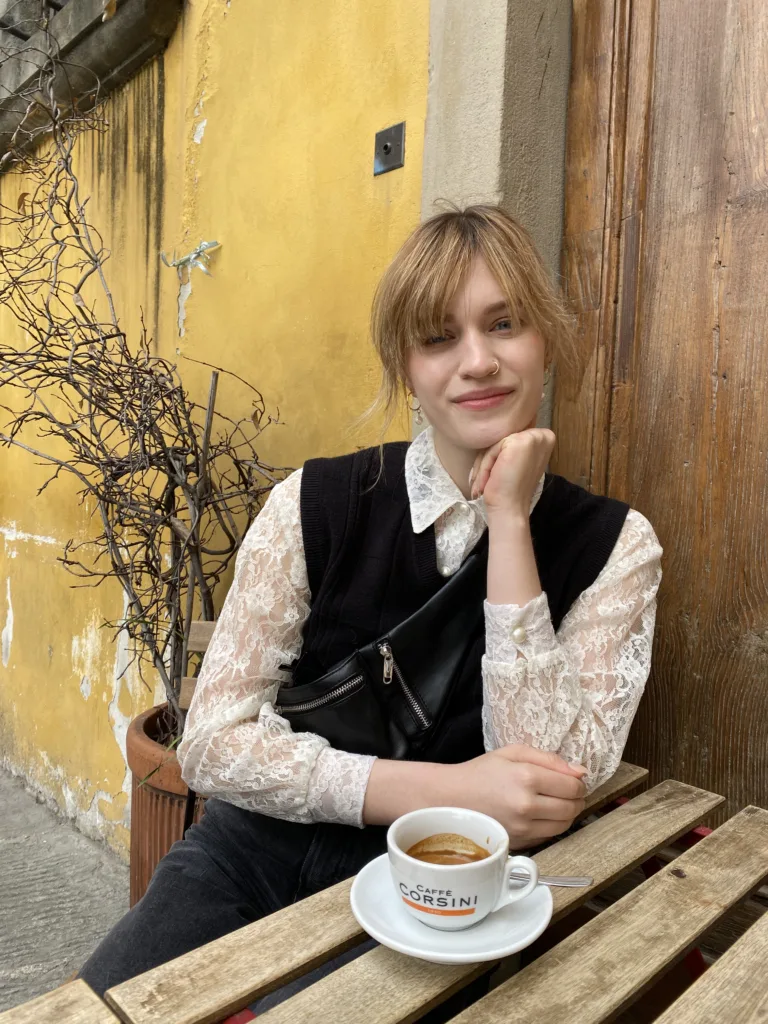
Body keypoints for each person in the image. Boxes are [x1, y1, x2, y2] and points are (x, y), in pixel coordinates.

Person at [79, 205, 662, 999]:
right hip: (253, 851)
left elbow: (546, 785)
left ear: (546, 340)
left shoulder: (616, 546)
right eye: (438, 336)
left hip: (451, 892)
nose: (478, 360)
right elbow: (212, 743)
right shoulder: (317, 504)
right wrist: (448, 789)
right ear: (405, 363)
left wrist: (512, 525)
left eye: (504, 324)